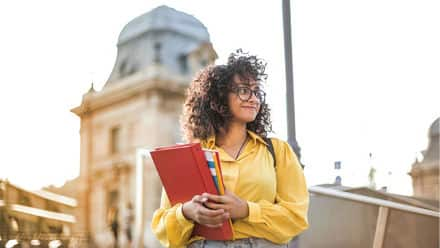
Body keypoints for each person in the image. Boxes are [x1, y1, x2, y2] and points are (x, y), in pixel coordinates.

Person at [151, 50, 309, 247]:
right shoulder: (191, 156)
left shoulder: (277, 151)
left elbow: (296, 217)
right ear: (219, 97)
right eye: (244, 90)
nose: (253, 98)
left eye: (256, 91)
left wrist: (246, 210)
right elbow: (163, 230)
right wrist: (187, 212)